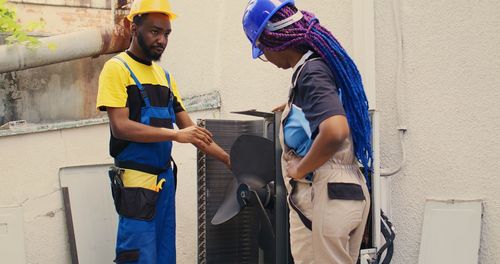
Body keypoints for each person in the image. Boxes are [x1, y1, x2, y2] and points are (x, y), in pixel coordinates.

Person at [96, 0, 230, 263]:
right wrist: (173, 135)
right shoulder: (117, 69)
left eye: (166, 34)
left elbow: (192, 131)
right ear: (133, 27)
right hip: (136, 183)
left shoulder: (165, 77)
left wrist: (229, 159)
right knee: (138, 256)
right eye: (154, 31)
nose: (161, 40)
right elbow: (120, 127)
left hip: (164, 182)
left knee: (165, 255)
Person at [242, 0, 372, 263]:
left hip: (323, 192)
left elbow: (335, 131)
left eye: (264, 52)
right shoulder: (324, 67)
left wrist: (299, 170)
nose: (268, 59)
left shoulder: (311, 73)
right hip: (348, 191)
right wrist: (293, 106)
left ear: (273, 41)